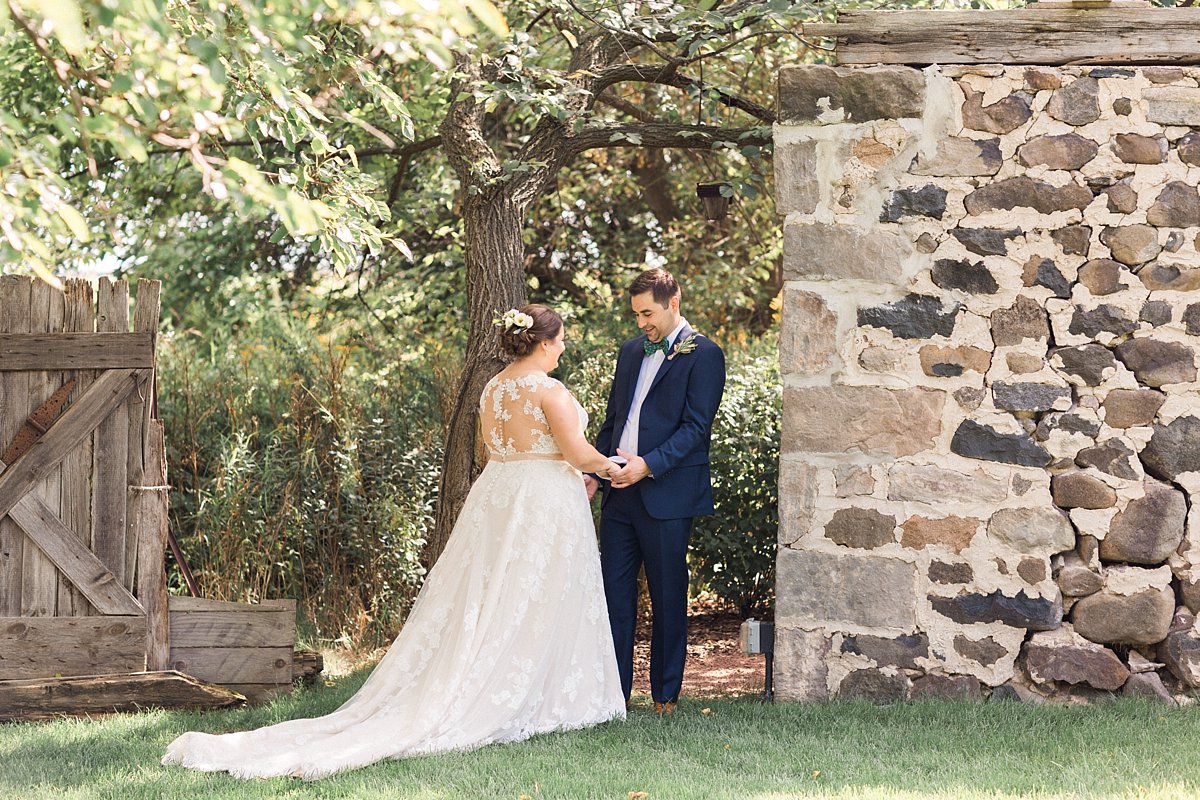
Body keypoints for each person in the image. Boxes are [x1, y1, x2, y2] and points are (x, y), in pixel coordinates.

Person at [163, 304, 626, 779]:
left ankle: (523, 684)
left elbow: (514, 450)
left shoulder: (493, 388)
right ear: (544, 343)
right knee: (538, 593)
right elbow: (572, 450)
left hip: (501, 493)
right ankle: (540, 694)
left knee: (495, 593)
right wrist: (610, 469)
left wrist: (574, 473)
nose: (564, 348)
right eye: (562, 340)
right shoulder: (548, 389)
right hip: (541, 503)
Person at [585, 268, 726, 716]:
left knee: (668, 596)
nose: (641, 322)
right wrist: (598, 471)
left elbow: (696, 429)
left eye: (648, 313)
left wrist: (648, 466)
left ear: (673, 303)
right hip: (619, 493)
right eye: (636, 314)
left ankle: (665, 695)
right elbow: (615, 418)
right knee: (615, 596)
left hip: (666, 494)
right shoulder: (630, 353)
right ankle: (615, 695)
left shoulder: (705, 354)